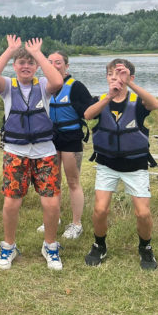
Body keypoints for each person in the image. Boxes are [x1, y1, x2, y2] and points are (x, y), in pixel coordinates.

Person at [0, 36, 64, 270]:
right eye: (21, 62)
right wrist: (10, 50)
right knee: (11, 203)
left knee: (50, 204)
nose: (26, 66)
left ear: (37, 66)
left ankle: (50, 246)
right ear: (15, 66)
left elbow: (58, 80)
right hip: (15, 152)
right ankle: (9, 246)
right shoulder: (8, 86)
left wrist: (38, 53)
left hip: (44, 152)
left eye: (30, 63)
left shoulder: (43, 87)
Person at [83, 59, 158, 270]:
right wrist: (109, 96)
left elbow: (156, 104)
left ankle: (145, 248)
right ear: (106, 77)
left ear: (130, 78)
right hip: (107, 164)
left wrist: (131, 85)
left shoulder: (138, 102)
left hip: (135, 166)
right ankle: (99, 245)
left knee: (143, 213)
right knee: (100, 210)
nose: (115, 78)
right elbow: (88, 115)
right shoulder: (101, 100)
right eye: (111, 74)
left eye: (121, 75)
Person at [39, 51, 92, 239]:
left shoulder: (76, 87)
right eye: (50, 62)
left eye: (58, 62)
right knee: (52, 182)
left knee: (73, 181)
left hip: (71, 138)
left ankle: (76, 224)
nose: (54, 65)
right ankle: (54, 219)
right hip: (50, 138)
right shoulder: (45, 86)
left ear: (66, 65)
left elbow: (89, 110)